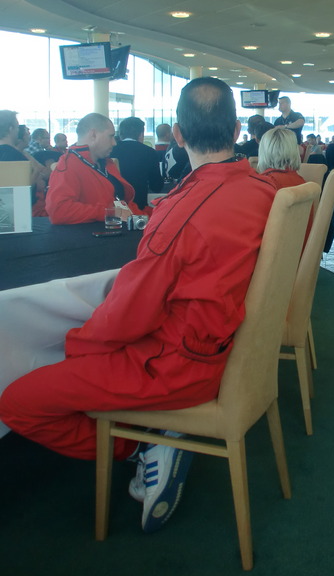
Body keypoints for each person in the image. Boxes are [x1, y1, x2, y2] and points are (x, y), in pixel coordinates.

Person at [0, 77, 277, 534]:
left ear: (178, 135)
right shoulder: (265, 191)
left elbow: (129, 314)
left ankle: (137, 446)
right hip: (225, 345)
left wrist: (74, 346)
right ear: (235, 131)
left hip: (178, 366)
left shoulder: (182, 211)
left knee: (17, 401)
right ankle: (148, 437)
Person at [45, 112, 136, 224]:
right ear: (93, 135)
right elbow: (58, 211)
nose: (114, 143)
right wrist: (109, 212)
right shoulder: (68, 165)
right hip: (93, 233)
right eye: (111, 136)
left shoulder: (105, 162)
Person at [111, 116, 164, 212]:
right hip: (139, 208)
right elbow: (156, 186)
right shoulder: (149, 152)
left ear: (121, 134)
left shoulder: (110, 150)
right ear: (141, 134)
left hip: (114, 208)